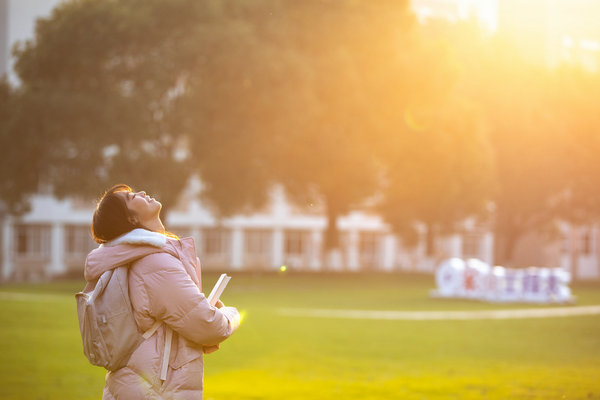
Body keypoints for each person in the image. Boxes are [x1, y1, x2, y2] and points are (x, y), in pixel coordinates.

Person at [85, 184, 240, 399]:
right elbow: (208, 325)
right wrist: (232, 315)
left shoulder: (139, 258)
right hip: (155, 391)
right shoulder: (155, 263)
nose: (140, 192)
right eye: (131, 197)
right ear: (131, 219)